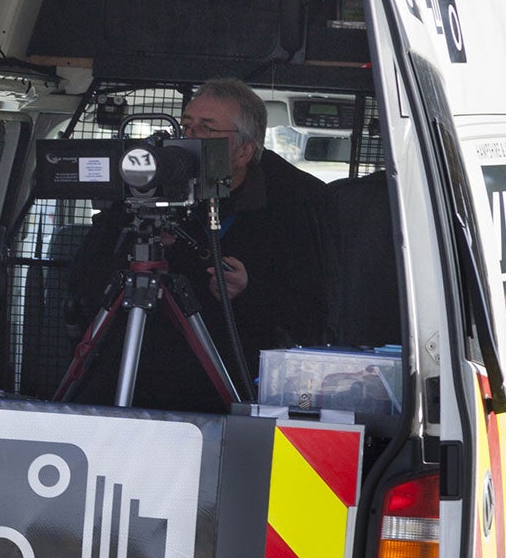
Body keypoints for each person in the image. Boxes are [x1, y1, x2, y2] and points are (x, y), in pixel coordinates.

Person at [65, 79, 330, 412]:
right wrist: (133, 249)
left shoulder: (290, 208)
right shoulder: (143, 191)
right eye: (186, 126)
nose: (190, 140)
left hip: (227, 388)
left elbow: (311, 315)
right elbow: (83, 283)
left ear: (244, 152)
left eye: (207, 130)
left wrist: (248, 291)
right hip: (129, 379)